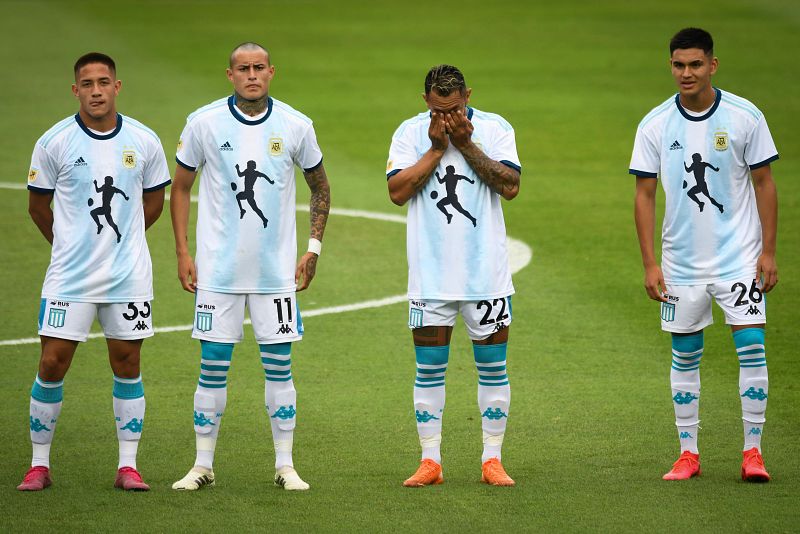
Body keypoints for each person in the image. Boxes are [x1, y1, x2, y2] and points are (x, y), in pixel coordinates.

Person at [170, 42, 330, 492]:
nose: (252, 75)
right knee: (212, 365)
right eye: (244, 69)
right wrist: (183, 252)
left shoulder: (296, 125)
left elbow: (320, 187)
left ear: (272, 72)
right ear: (230, 75)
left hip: (275, 274)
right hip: (218, 273)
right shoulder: (203, 123)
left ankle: (285, 465)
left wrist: (312, 247)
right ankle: (202, 465)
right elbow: (180, 187)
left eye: (259, 68)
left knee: (280, 366)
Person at [630, 28, 779, 482]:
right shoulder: (655, 124)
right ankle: (688, 453)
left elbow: (764, 185)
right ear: (670, 66)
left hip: (739, 257)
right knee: (685, 355)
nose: (686, 73)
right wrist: (650, 262)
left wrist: (769, 251)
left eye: (695, 64)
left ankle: (752, 452)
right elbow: (644, 194)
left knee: (752, 348)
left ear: (712, 65)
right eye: (679, 65)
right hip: (681, 264)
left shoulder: (744, 117)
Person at [19, 52, 170, 491]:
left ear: (117, 86)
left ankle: (128, 466)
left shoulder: (144, 140)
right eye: (87, 84)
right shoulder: (55, 142)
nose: (97, 91)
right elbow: (37, 205)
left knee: (128, 363)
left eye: (104, 82)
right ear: (75, 90)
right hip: (70, 278)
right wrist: (70, 245)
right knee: (52, 362)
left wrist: (121, 242)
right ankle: (39, 464)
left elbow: (154, 202)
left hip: (128, 276)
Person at [387, 65, 521, 487]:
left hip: (487, 276)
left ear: (468, 95)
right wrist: (434, 150)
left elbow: (511, 185)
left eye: (457, 108)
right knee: (428, 370)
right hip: (430, 277)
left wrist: (465, 145)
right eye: (440, 109)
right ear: (425, 100)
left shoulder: (496, 129)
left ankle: (492, 460)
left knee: (493, 369)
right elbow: (396, 192)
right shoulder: (409, 134)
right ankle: (431, 462)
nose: (448, 117)